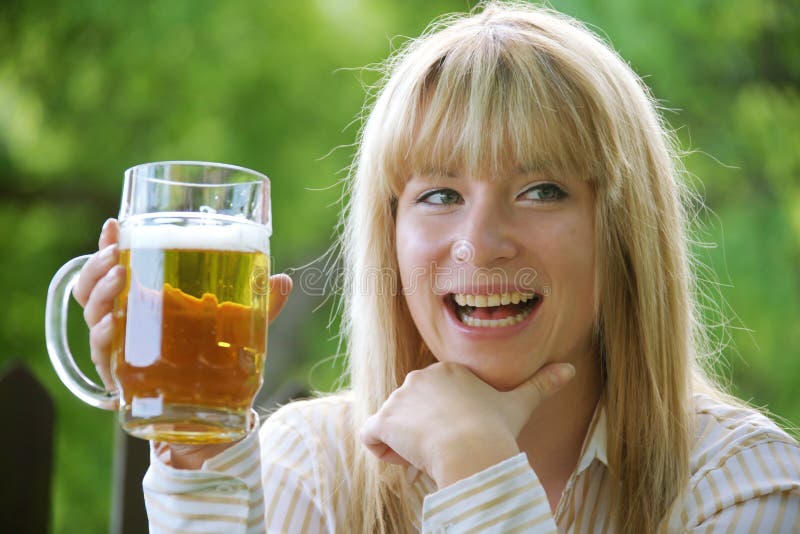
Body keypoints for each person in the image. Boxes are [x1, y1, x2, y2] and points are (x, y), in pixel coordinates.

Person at [73, 2, 800, 532]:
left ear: (622, 233)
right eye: (440, 194)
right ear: (390, 235)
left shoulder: (745, 486)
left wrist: (476, 464)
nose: (479, 245)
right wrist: (197, 450)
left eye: (541, 190)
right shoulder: (307, 470)